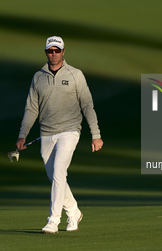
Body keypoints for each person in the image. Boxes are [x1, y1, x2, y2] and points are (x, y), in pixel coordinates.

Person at [16, 36, 103, 233]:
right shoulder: (38, 77)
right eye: (50, 51)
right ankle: (74, 212)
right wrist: (23, 135)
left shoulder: (75, 74)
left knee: (58, 172)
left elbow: (87, 105)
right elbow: (31, 109)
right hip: (46, 133)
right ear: (46, 52)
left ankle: (53, 220)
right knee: (55, 177)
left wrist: (95, 134)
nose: (53, 54)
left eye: (57, 50)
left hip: (70, 131)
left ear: (64, 52)